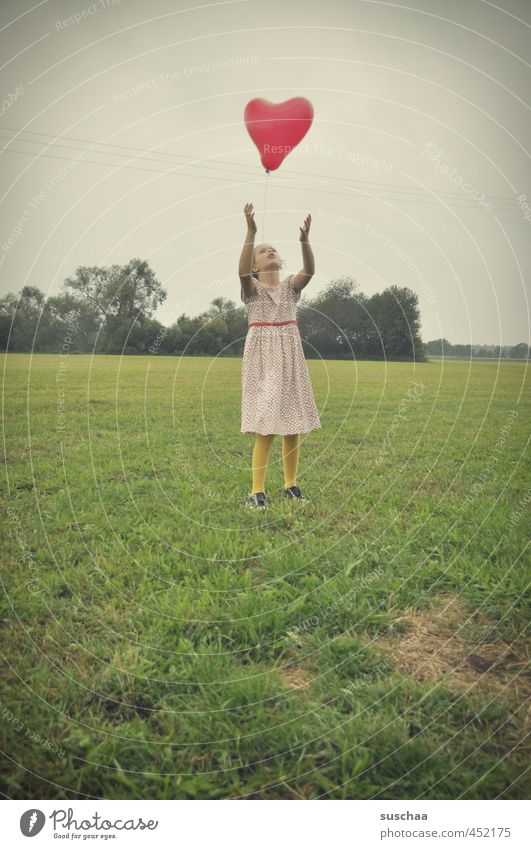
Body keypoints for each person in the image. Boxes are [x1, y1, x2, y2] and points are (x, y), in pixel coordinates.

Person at [239, 202, 321, 509]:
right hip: (263, 356)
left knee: (293, 422)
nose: (270, 251)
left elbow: (310, 270)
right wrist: (251, 231)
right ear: (256, 266)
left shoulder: (289, 288)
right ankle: (256, 491)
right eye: (263, 251)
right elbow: (241, 270)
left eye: (273, 249)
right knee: (267, 424)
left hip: (290, 354)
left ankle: (291, 485)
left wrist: (304, 242)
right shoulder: (252, 289)